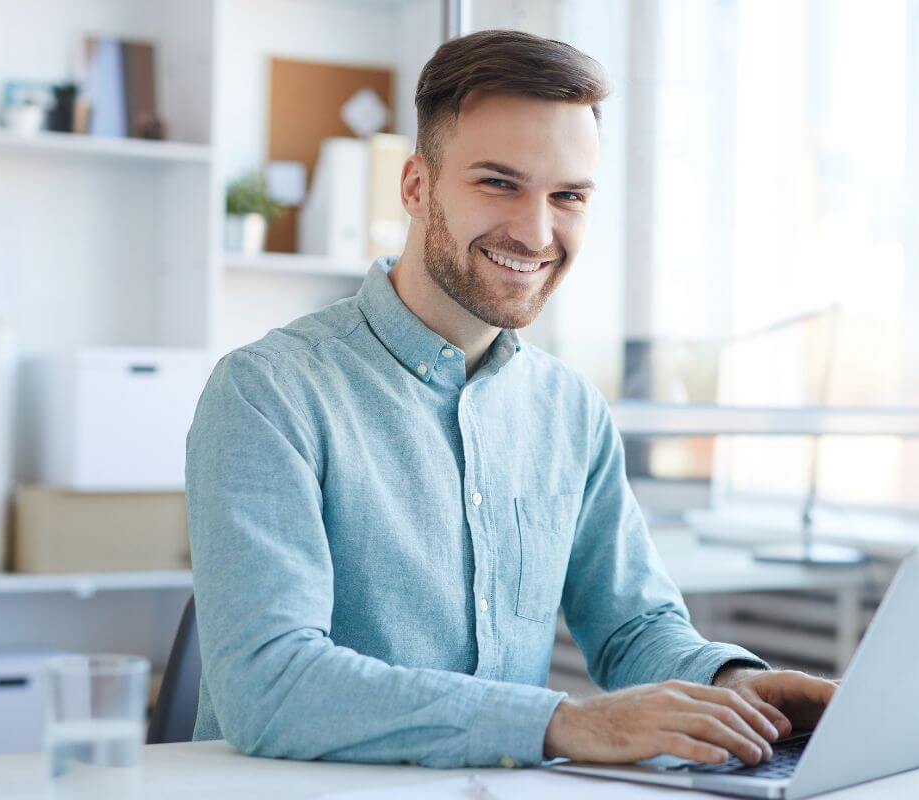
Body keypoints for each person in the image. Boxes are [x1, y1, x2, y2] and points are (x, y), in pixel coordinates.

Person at [186, 28, 836, 770]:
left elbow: (632, 629)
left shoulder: (570, 410)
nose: (535, 231)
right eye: (499, 182)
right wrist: (561, 724)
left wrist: (736, 685)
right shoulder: (269, 392)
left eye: (567, 196)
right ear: (416, 187)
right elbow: (268, 685)